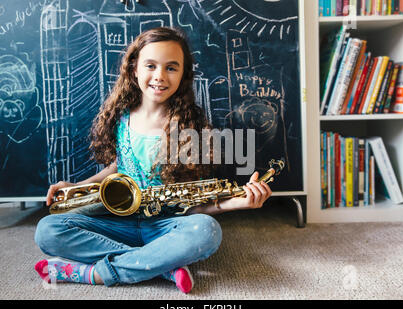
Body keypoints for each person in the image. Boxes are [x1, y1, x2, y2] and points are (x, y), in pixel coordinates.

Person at [34, 27, 272, 294]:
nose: (159, 76)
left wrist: (236, 203)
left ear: (183, 76)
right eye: (151, 65)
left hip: (165, 225)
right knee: (48, 229)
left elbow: (193, 204)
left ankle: (96, 273)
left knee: (207, 231)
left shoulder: (190, 129)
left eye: (171, 68)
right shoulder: (121, 118)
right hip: (118, 221)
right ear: (134, 68)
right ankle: (162, 264)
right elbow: (117, 168)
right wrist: (76, 186)